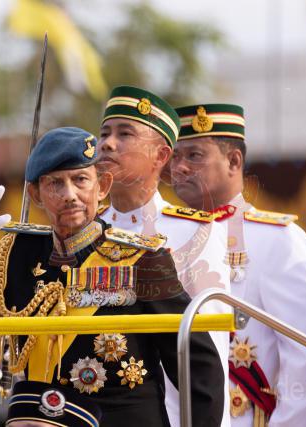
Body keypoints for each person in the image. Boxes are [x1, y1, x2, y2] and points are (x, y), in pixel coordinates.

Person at [0, 127, 225, 427]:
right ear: (35, 194)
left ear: (102, 186)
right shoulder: (17, 256)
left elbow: (198, 365)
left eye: (80, 180)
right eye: (55, 184)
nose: (70, 195)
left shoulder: (141, 259)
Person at [169, 103, 306, 426]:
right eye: (175, 156)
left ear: (233, 161)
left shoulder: (278, 239)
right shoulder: (163, 238)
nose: (180, 167)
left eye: (194, 155)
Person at [97, 86, 231, 426]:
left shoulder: (195, 232)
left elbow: (207, 350)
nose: (108, 143)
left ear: (160, 156)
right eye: (104, 133)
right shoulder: (86, 231)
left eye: (125, 134)